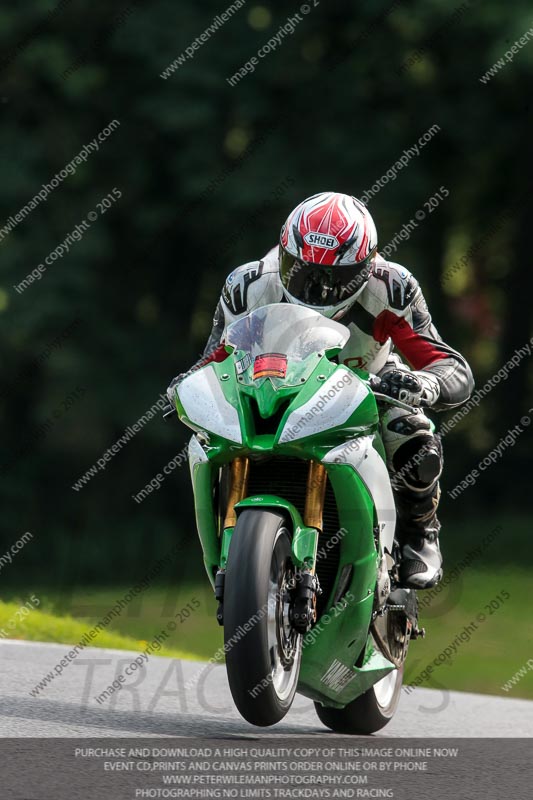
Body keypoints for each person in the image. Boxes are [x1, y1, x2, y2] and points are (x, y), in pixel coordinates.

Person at [167, 192, 474, 589]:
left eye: (334, 277)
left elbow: (450, 364)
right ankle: (232, 547)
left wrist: (425, 383)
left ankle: (421, 533)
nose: (315, 287)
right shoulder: (248, 285)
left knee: (412, 431)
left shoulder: (392, 288)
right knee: (210, 435)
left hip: (368, 387)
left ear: (366, 268)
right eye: (301, 270)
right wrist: (183, 385)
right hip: (276, 387)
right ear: (283, 252)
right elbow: (214, 355)